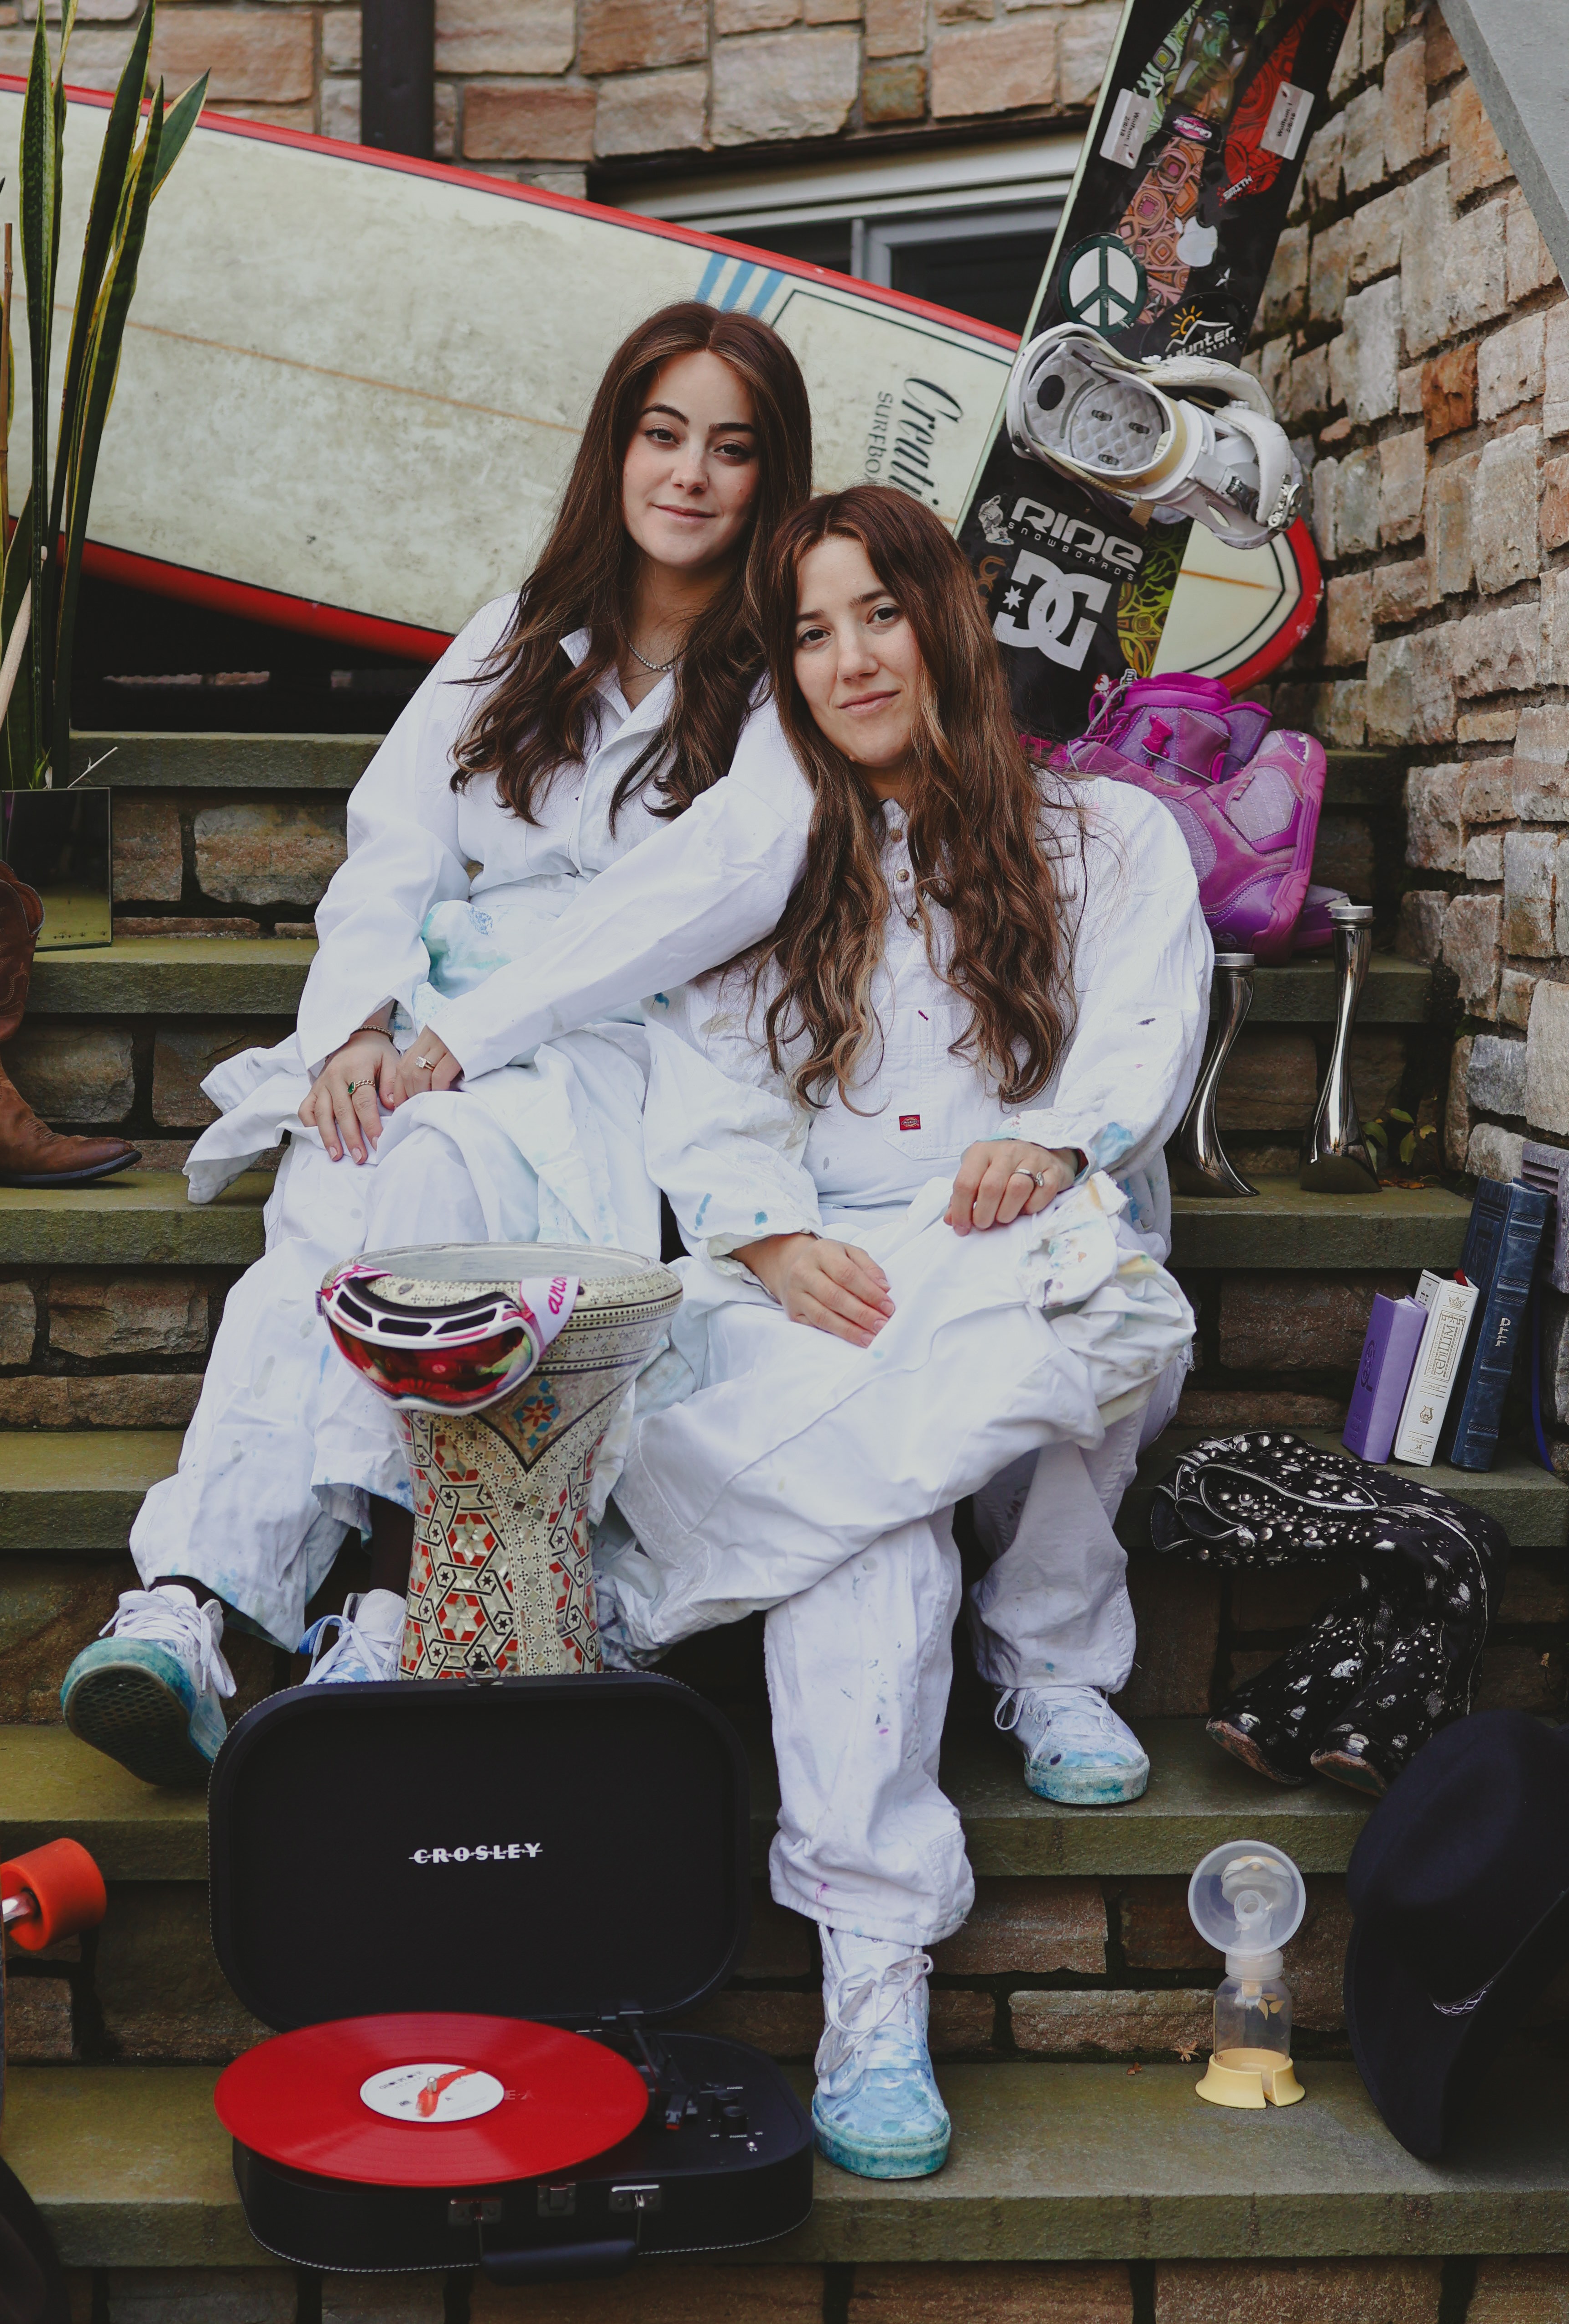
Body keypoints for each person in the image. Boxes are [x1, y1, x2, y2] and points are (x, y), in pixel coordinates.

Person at [58, 301, 814, 1786]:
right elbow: (395, 842)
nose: (690, 474)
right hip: (426, 1020)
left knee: (420, 1183)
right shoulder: (524, 629)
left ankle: (376, 1598)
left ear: (768, 480)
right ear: (616, 449)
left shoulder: (781, 679)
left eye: (731, 449)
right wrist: (353, 1026)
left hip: (605, 1041)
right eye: (663, 435)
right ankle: (198, 1615)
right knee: (327, 1209)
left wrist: (455, 1044)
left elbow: (687, 904)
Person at [595, 485, 1210, 2180]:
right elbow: (706, 1096)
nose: (851, 657)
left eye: (879, 613)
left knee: (1097, 1286)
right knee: (871, 1554)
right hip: (828, 1280)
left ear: (946, 619)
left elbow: (1142, 1034)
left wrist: (1061, 1140)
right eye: (810, 631)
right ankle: (876, 1981)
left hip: (1009, 1245)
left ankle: (1029, 1642)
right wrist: (776, 1240)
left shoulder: (1107, 840)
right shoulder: (765, 862)